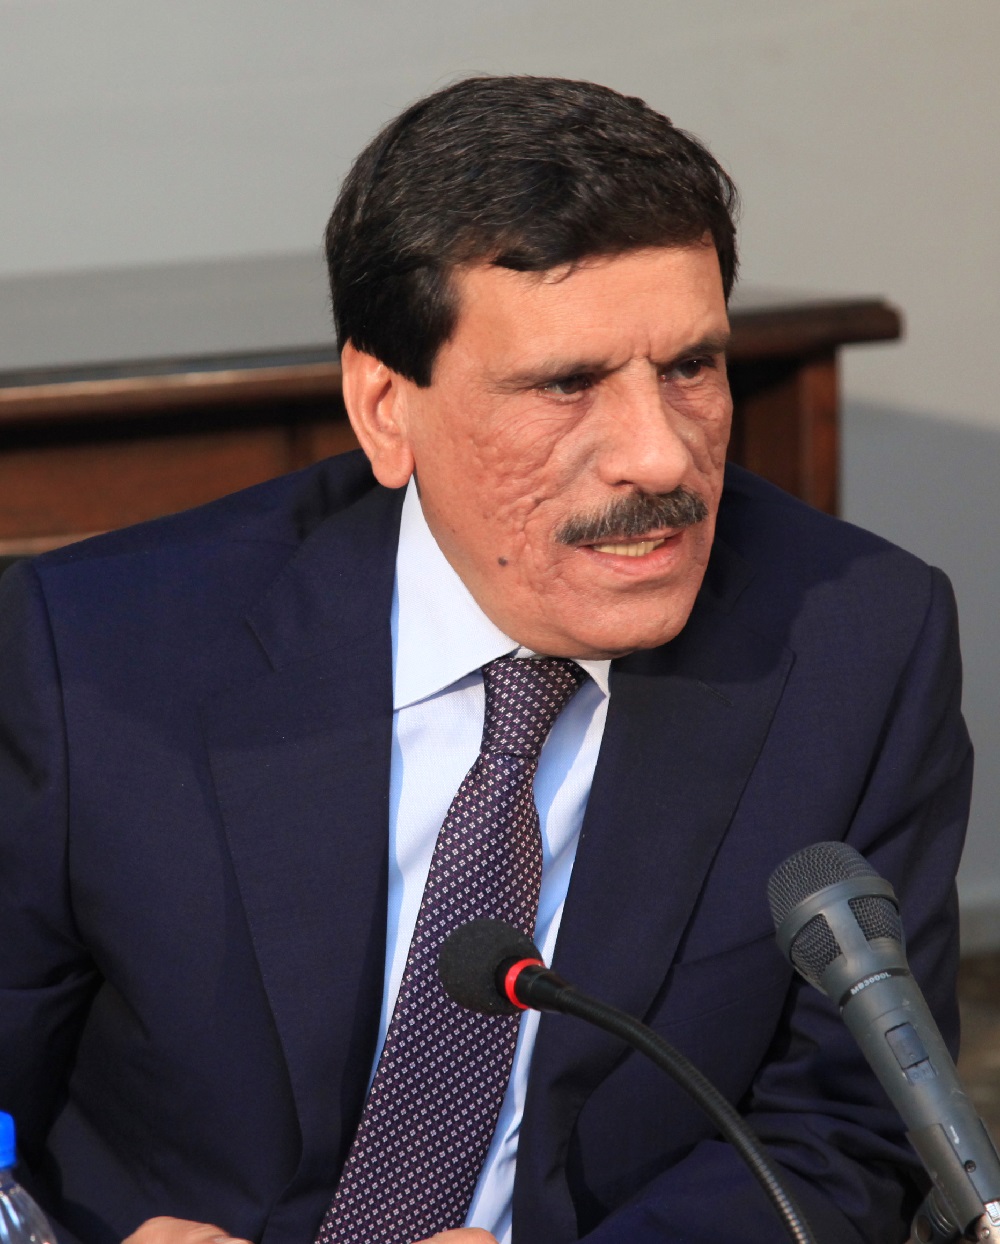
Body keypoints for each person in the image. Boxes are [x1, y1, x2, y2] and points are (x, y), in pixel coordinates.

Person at [0, 75, 971, 1244]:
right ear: (383, 407)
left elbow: (847, 1127)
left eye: (691, 368)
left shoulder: (857, 642)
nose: (660, 457)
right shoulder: (100, 650)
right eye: (567, 384)